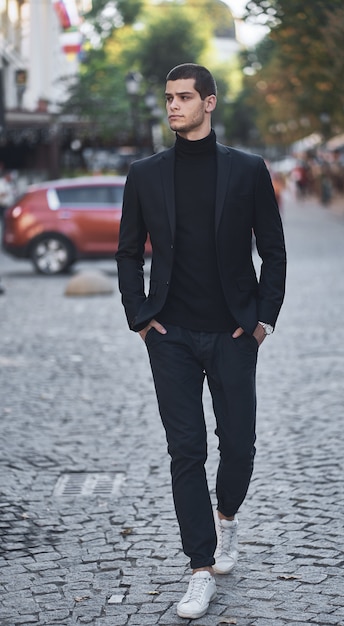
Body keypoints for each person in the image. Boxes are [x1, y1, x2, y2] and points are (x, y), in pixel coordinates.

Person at [116, 63, 286, 620]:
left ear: (209, 103)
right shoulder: (144, 174)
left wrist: (263, 320)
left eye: (184, 97)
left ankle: (228, 518)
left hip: (235, 333)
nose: (173, 106)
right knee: (185, 451)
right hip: (170, 336)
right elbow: (127, 252)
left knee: (238, 444)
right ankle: (199, 567)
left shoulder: (247, 170)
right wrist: (138, 316)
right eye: (168, 98)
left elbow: (274, 251)